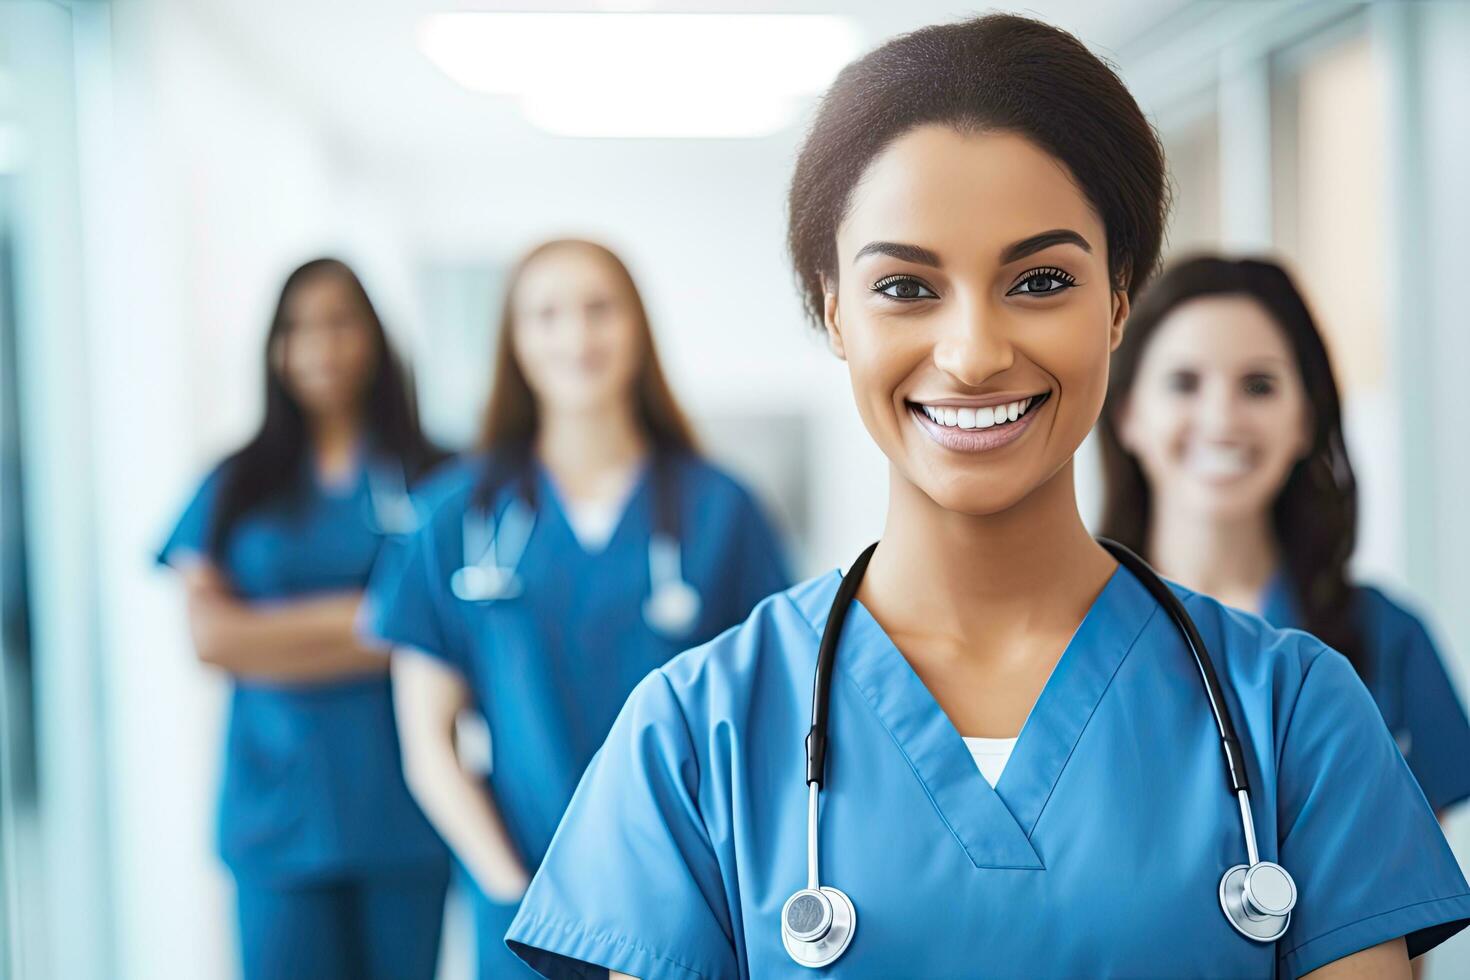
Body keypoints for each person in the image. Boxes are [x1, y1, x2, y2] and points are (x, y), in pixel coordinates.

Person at [503, 16, 1470, 979]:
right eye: (905, 288)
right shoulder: (691, 734)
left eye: (1040, 279)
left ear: (1121, 300)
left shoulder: (1296, 710)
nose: (972, 354)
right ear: (834, 307)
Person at [365, 239, 790, 978]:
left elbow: (771, 725)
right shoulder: (456, 517)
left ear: (638, 329)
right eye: (546, 314)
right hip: (524, 912)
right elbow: (429, 747)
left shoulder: (723, 510)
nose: (576, 336)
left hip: (688, 906)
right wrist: (516, 893)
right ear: (515, 341)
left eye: (600, 310)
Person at [157, 258, 450, 980]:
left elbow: (444, 622)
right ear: (274, 349)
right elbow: (212, 639)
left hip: (402, 813)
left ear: (377, 338)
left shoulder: (439, 474)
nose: (319, 345)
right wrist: (375, 620)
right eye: (297, 328)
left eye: (340, 322)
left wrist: (272, 635)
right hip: (275, 817)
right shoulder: (234, 484)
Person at [1097, 255, 1470, 819]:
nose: (1222, 418)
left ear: (1305, 419)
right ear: (1126, 414)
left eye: (1259, 385)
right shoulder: (1061, 637)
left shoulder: (1390, 639)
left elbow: (1412, 892)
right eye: (1184, 383)